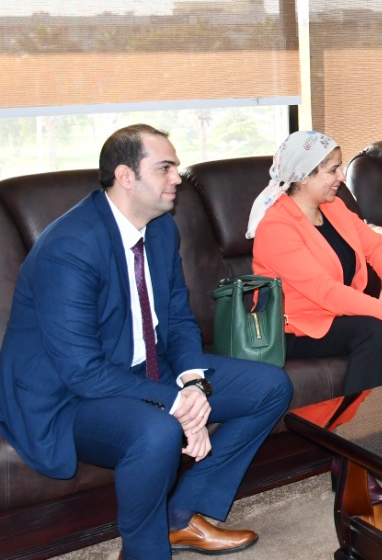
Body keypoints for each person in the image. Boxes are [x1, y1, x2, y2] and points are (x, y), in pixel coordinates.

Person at [0, 125, 293, 559]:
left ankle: (180, 516)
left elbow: (178, 318)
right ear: (126, 176)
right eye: (165, 168)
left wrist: (193, 382)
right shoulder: (70, 248)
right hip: (66, 396)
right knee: (157, 431)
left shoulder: (160, 229)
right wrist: (178, 405)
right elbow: (82, 372)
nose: (177, 178)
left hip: (142, 368)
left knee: (270, 387)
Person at [249, 130, 382, 396]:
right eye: (333, 170)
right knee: (373, 328)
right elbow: (326, 291)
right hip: (293, 328)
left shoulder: (334, 208)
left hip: (337, 316)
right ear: (304, 176)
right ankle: (356, 418)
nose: (342, 176)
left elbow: (377, 246)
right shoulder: (276, 228)